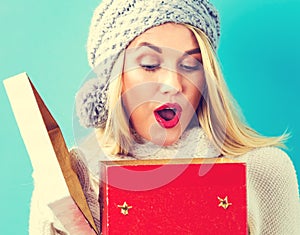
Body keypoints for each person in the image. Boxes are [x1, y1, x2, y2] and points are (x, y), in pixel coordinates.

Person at [29, 0, 300, 234]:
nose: (173, 84)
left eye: (190, 65)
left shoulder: (263, 170)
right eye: (149, 65)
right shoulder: (77, 179)